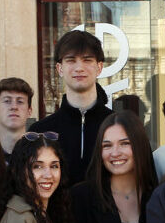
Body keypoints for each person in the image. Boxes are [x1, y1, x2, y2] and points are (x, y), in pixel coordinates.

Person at [30, 30, 114, 185]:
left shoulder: (118, 126)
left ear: (99, 67)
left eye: (87, 60)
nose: (79, 68)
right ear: (59, 68)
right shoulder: (40, 132)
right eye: (71, 60)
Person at [0, 77, 34, 152]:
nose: (14, 107)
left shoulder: (39, 154)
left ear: (29, 111)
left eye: (20, 102)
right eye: (7, 101)